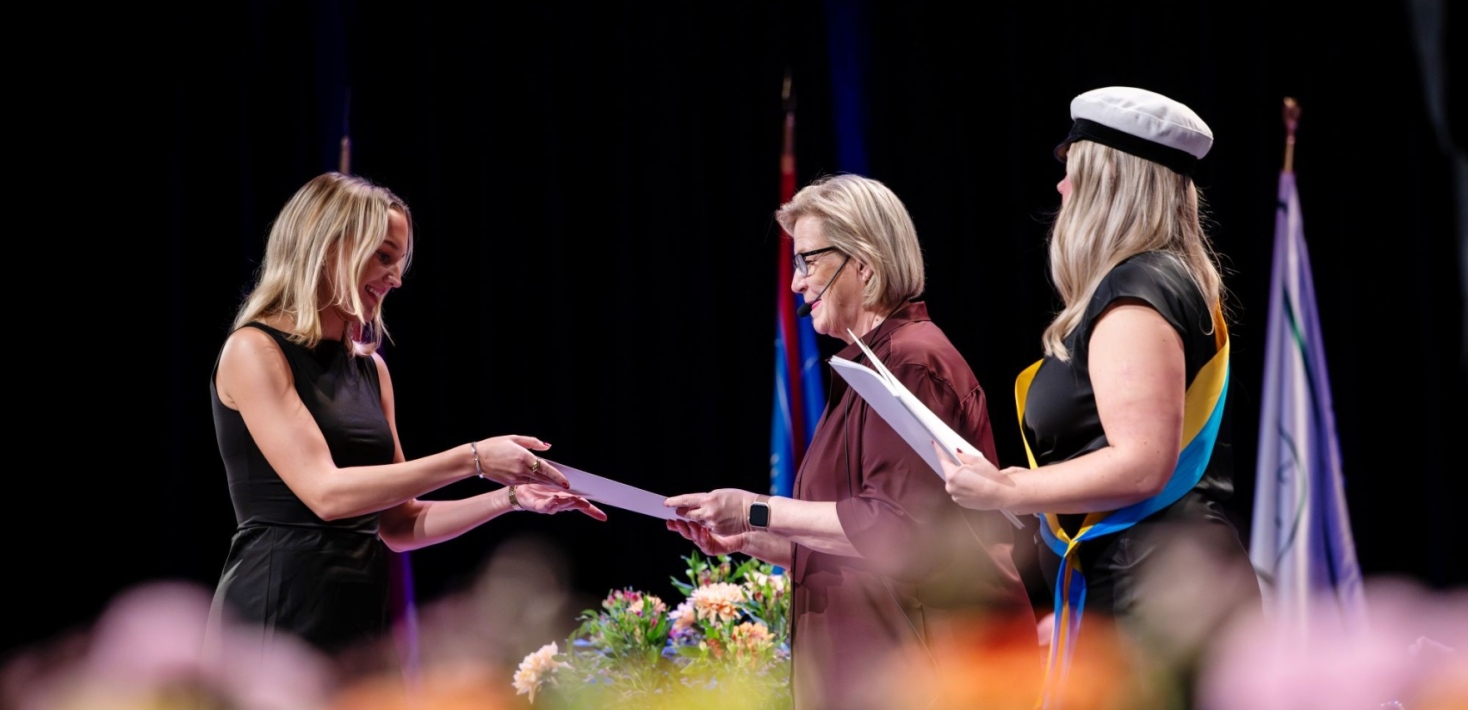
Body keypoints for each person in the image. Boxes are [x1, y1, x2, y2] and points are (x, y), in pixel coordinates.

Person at [936, 87, 1263, 704]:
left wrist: (1007, 488)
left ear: (1108, 182)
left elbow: (1142, 462)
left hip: (1155, 594)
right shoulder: (1160, 279)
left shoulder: (1137, 289)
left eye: (1070, 171)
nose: (1059, 189)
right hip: (1165, 580)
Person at [665, 173, 1037, 710]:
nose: (796, 284)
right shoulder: (870, 366)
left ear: (862, 265)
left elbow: (893, 527)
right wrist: (750, 538)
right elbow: (863, 547)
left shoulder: (911, 362)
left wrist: (757, 510)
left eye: (807, 262)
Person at [207, 171, 606, 661]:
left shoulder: (371, 370)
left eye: (399, 261)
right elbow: (326, 494)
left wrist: (510, 498)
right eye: (384, 256)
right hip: (275, 610)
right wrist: (474, 458)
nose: (396, 278)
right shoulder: (254, 350)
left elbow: (399, 523)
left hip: (359, 616)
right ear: (328, 246)